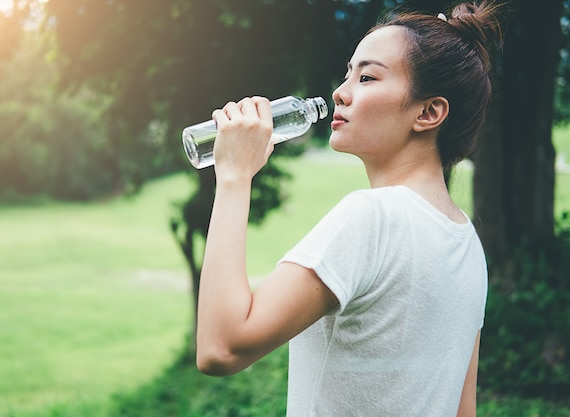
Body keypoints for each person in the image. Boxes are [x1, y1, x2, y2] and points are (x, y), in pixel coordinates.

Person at [195, 1, 502, 416]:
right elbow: (463, 409)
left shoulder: (372, 218)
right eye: (348, 73)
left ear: (429, 112)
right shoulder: (467, 243)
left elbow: (221, 347)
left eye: (368, 76)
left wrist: (234, 178)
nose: (341, 91)